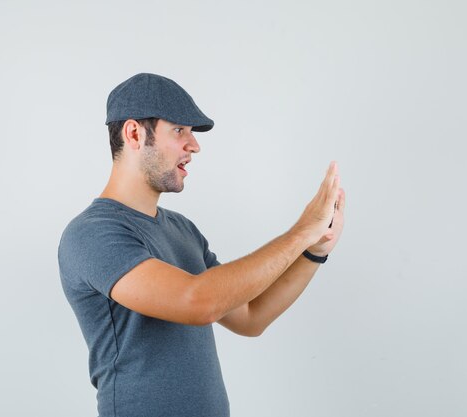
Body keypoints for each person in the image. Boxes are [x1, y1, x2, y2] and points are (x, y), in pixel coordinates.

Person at [57, 73, 346, 417]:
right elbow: (197, 302)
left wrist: (314, 250)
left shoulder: (182, 230)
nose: (194, 146)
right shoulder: (92, 233)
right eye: (179, 130)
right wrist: (300, 232)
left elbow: (251, 316)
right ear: (134, 133)